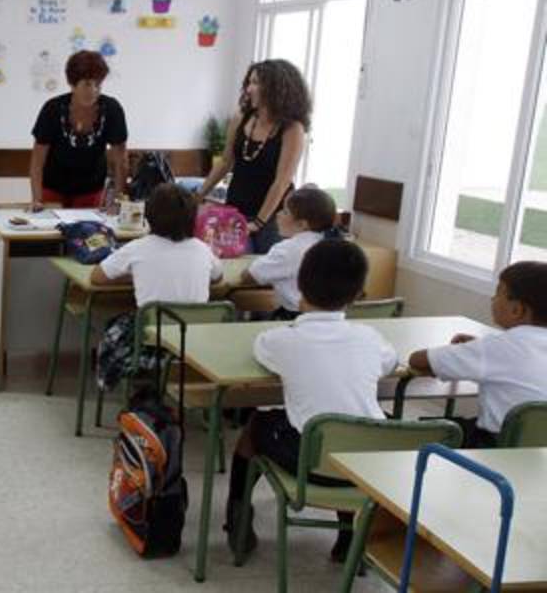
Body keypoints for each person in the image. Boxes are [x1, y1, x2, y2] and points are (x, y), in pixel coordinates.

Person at [224, 240, 396, 561]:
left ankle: (238, 516)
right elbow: (390, 362)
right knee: (356, 421)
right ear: (359, 294)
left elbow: (262, 351)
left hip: (309, 465)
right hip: (364, 469)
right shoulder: (371, 339)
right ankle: (349, 538)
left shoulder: (280, 340)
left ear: (300, 287)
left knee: (257, 423)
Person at [409, 261, 547, 447]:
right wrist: (478, 348)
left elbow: (419, 360)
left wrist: (472, 350)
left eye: (498, 293)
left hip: (496, 449)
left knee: (426, 432)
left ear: (517, 310)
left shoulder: (496, 347)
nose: (493, 299)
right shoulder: (496, 347)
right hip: (539, 456)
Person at [196, 59, 310, 253]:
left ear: (276, 89)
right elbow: (225, 162)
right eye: (249, 82)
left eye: (256, 83)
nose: (249, 89)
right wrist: (199, 195)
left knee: (266, 272)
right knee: (234, 266)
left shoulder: (293, 128)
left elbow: (281, 182)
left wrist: (258, 222)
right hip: (237, 208)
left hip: (273, 217)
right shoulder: (241, 117)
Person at [91, 183, 222, 305]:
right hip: (195, 328)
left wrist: (134, 276)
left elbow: (97, 277)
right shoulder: (202, 249)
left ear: (148, 215)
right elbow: (217, 276)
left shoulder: (137, 248)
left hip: (153, 328)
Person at [29, 50, 128, 210]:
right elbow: (37, 161)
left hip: (91, 187)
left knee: (86, 232)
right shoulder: (52, 109)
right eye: (88, 84)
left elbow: (121, 160)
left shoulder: (111, 109)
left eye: (98, 84)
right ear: (73, 84)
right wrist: (36, 200)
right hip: (52, 185)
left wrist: (118, 200)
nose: (94, 90)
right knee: (49, 229)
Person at [242, 186, 338, 319]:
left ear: (302, 224)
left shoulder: (288, 249)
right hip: (332, 317)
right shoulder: (334, 245)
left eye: (285, 212)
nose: (278, 214)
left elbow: (249, 277)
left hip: (295, 317)